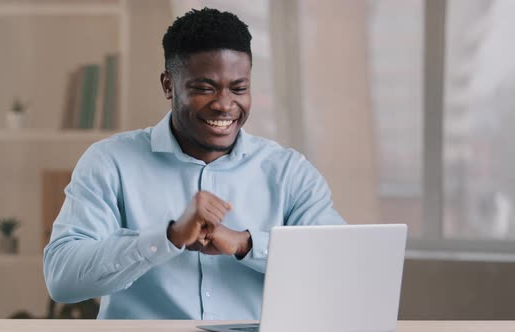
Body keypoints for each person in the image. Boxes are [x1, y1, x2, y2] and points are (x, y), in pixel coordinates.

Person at [43, 7, 345, 320]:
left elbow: (342, 268)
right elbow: (62, 278)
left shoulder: (289, 172)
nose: (225, 105)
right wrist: (167, 237)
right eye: (204, 88)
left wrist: (245, 244)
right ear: (168, 85)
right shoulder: (110, 162)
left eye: (239, 88)